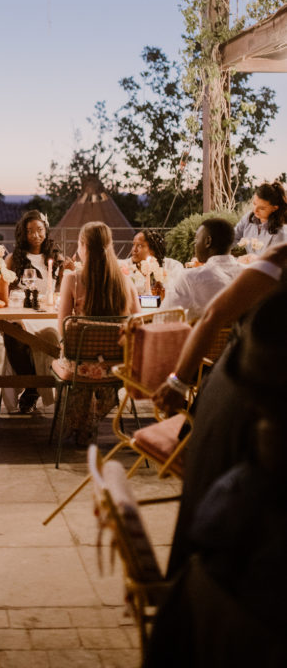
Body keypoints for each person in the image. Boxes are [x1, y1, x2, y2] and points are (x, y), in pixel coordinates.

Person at [152, 243, 287, 575]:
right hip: (242, 394)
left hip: (267, 394)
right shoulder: (280, 259)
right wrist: (177, 382)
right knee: (222, 492)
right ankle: (198, 597)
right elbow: (214, 314)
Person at [56, 221, 140, 444]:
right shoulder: (126, 281)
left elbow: (63, 326)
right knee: (95, 368)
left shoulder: (72, 279)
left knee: (66, 360)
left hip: (80, 366)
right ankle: (94, 415)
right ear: (110, 246)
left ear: (83, 246)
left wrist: (67, 346)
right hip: (116, 367)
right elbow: (137, 324)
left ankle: (78, 422)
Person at [0, 209, 65, 414]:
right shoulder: (13, 259)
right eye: (30, 231)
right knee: (12, 330)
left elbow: (62, 291)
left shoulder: (57, 257)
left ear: (46, 230)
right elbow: (2, 295)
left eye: (39, 230)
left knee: (51, 335)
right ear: (23, 234)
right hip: (22, 313)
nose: (35, 235)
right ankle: (33, 386)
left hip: (48, 316)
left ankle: (33, 388)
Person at [160, 217, 245, 322]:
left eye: (196, 239)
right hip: (240, 337)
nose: (195, 245)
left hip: (203, 337)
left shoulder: (190, 278)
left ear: (208, 241)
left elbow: (164, 318)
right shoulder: (249, 274)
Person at [233, 180, 287, 255]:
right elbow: (233, 237)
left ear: (274, 208)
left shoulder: (281, 233)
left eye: (262, 208)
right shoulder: (249, 218)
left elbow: (275, 263)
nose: (255, 210)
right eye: (254, 204)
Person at [130, 229, 184, 295]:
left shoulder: (173, 266)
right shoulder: (125, 268)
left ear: (153, 249)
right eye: (133, 244)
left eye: (140, 245)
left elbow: (176, 291)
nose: (134, 249)